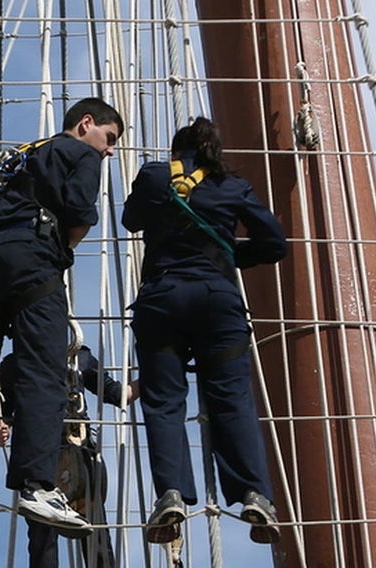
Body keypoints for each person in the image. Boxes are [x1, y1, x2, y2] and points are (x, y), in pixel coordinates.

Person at [0, 96, 124, 534]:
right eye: (109, 138)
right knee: (42, 369)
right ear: (86, 124)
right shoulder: (81, 154)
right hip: (33, 258)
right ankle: (37, 485)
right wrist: (53, 252)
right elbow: (80, 217)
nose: (110, 149)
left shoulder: (16, 156)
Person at [121, 117, 287, 544]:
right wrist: (228, 254)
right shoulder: (233, 185)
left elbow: (131, 220)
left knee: (163, 402)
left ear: (177, 149)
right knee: (232, 399)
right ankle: (254, 493)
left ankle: (172, 494)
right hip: (218, 301)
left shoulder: (156, 174)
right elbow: (274, 244)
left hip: (162, 299)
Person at [0, 349, 137, 568]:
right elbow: (2, 411)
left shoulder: (79, 357)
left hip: (77, 447)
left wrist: (157, 372)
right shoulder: (15, 362)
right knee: (41, 534)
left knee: (94, 527)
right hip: (37, 454)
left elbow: (114, 392)